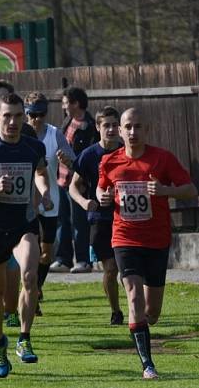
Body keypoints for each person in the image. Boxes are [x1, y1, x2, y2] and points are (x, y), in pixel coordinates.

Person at [97, 107, 197, 379]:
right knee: (133, 297)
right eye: (127, 127)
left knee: (151, 312)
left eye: (138, 126)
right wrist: (102, 197)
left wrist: (166, 190)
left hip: (156, 240)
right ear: (119, 130)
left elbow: (191, 190)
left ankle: (146, 325)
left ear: (147, 129)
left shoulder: (163, 159)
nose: (132, 132)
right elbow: (101, 186)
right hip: (124, 238)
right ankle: (148, 365)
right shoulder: (110, 161)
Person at [0, 93, 52, 378]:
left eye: (18, 116)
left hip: (23, 225)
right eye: (7, 116)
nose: (13, 121)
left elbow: (42, 172)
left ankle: (24, 337)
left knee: (30, 276)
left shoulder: (33, 147)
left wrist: (44, 192)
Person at [70, 106, 124, 325]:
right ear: (98, 127)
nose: (111, 130)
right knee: (111, 269)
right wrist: (85, 203)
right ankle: (116, 311)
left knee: (127, 270)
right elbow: (73, 187)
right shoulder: (89, 155)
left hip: (125, 218)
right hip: (100, 220)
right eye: (106, 125)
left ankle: (137, 310)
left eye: (114, 125)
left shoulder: (126, 151)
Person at [23, 92, 75, 315]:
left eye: (40, 114)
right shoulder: (19, 135)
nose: (36, 119)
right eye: (32, 114)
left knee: (46, 254)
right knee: (28, 251)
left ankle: (36, 287)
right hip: (24, 203)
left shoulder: (54, 134)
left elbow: (73, 160)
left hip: (50, 200)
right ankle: (30, 293)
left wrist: (67, 159)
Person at [51, 86, 99, 273]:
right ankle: (63, 259)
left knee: (79, 221)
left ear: (76, 103)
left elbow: (90, 156)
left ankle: (83, 260)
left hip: (77, 183)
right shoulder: (66, 122)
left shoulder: (90, 127)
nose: (64, 106)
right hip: (61, 180)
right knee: (62, 220)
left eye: (66, 103)